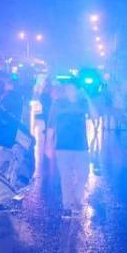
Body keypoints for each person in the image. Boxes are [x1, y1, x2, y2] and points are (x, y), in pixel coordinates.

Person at [48, 82, 91, 218]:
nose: (70, 91)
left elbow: (95, 115)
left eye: (72, 89)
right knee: (65, 177)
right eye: (67, 89)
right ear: (65, 91)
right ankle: (67, 205)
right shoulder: (58, 104)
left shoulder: (83, 103)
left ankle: (77, 201)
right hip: (63, 146)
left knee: (83, 175)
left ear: (77, 90)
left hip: (81, 146)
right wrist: (48, 145)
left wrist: (88, 97)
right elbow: (51, 126)